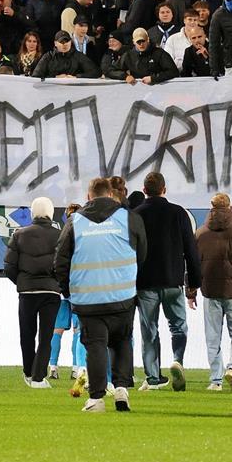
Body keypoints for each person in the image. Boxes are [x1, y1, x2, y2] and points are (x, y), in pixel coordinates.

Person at [54, 177, 147, 413]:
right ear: (111, 195)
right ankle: (122, 390)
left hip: (88, 299)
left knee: (95, 346)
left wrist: (68, 290)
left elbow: (60, 261)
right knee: (122, 341)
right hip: (122, 296)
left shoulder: (75, 222)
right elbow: (143, 254)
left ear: (88, 197)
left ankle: (96, 399)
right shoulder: (130, 218)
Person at [133, 172, 200, 391]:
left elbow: (130, 250)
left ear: (144, 191)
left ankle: (153, 377)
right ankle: (177, 360)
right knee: (178, 326)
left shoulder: (136, 215)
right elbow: (191, 248)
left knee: (149, 330)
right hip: (173, 281)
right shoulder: (178, 213)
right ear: (164, 189)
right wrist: (194, 281)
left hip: (145, 282)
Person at [190, 193, 232, 392]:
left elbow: (192, 265)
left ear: (211, 208)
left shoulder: (200, 234)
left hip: (210, 292)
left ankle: (216, 380)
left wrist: (191, 292)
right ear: (230, 207)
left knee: (212, 337)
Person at [4, 196, 62, 389]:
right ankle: (38, 377)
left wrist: (21, 282)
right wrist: (59, 283)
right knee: (46, 336)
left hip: (27, 292)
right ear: (51, 213)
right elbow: (64, 265)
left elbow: (9, 266)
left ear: (32, 213)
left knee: (27, 334)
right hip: (51, 292)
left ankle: (28, 372)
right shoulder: (59, 235)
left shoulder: (19, 234)